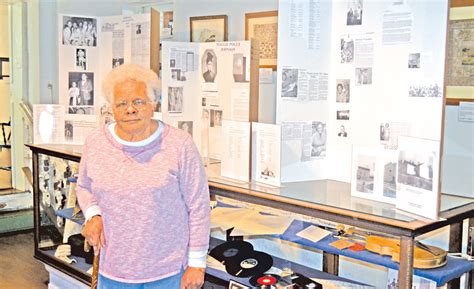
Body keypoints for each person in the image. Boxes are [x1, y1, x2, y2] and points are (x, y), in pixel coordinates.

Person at [77, 64, 210, 289]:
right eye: (121, 103)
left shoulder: (179, 144)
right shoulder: (96, 142)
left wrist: (197, 263)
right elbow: (84, 185)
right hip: (113, 269)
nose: (130, 109)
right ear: (112, 108)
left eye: (138, 101)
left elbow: (198, 205)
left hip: (168, 271)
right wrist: (93, 214)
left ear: (153, 104)